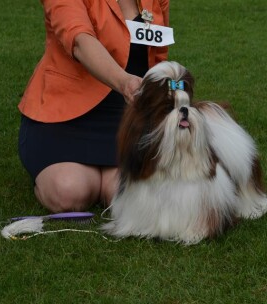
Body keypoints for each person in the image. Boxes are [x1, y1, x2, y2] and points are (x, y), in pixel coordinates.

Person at [18, 0, 171, 212]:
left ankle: (101, 177)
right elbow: (79, 40)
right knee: (70, 192)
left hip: (126, 116)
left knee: (123, 194)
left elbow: (157, 55)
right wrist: (124, 82)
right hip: (63, 113)